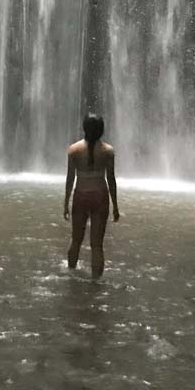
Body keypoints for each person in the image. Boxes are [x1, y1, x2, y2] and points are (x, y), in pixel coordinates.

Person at [63, 112, 120, 278]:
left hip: (80, 195)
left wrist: (66, 203)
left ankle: (71, 275)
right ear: (101, 130)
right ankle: (96, 283)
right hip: (100, 196)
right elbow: (111, 179)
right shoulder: (108, 151)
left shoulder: (74, 150)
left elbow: (70, 178)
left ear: (84, 128)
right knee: (97, 245)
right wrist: (115, 206)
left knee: (76, 240)